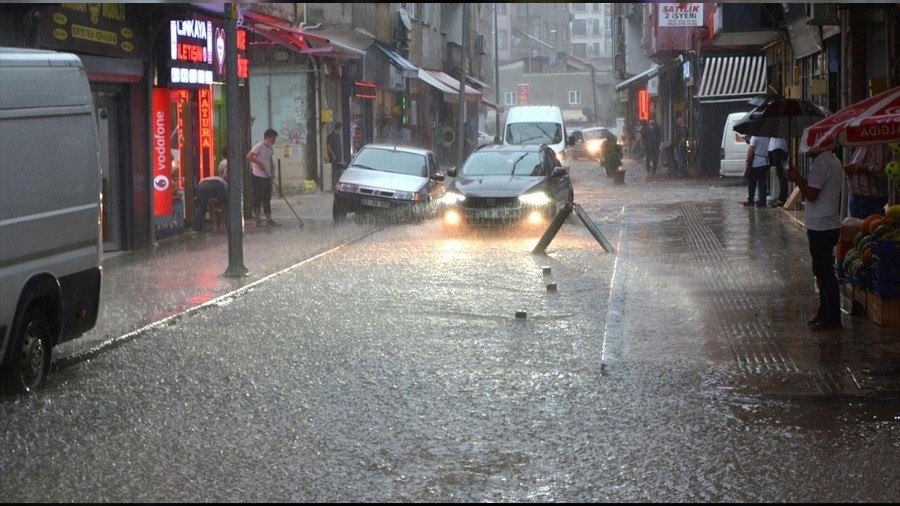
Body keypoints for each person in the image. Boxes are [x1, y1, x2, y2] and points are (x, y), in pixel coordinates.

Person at [786, 148, 844, 331]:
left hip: (822, 225)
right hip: (827, 223)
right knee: (821, 269)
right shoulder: (832, 161)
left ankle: (831, 316)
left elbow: (811, 194)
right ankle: (825, 311)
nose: (805, 148)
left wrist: (796, 179)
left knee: (824, 271)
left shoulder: (822, 163)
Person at [843, 143, 890, 218]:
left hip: (871, 198)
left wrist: (856, 169)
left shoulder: (878, 143)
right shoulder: (862, 143)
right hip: (856, 196)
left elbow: (880, 170)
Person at [246, 128, 280, 227]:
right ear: (268, 137)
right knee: (258, 197)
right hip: (258, 176)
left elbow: (270, 161)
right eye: (273, 139)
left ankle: (269, 219)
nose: (274, 141)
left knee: (267, 198)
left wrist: (273, 172)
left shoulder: (270, 149)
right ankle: (258, 220)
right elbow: (248, 157)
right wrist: (259, 163)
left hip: (267, 176)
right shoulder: (259, 146)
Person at [743, 135, 770, 208]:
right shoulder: (767, 137)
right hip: (765, 162)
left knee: (752, 183)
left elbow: (751, 149)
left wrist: (748, 161)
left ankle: (751, 200)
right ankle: (762, 201)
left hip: (756, 163)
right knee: (762, 183)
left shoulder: (755, 137)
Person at [767, 137, 789, 207]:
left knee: (781, 175)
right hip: (776, 148)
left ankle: (782, 198)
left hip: (778, 148)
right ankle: (781, 197)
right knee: (780, 175)